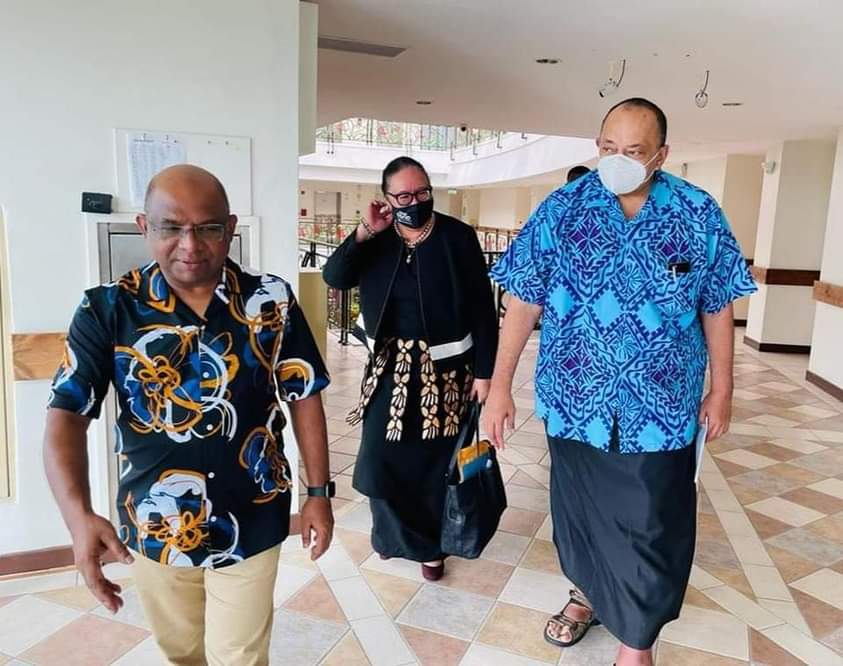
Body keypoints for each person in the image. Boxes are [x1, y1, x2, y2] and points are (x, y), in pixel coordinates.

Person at [484, 98, 756, 666]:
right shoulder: (562, 210)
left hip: (660, 408)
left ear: (661, 154)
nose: (618, 160)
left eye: (633, 151)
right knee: (580, 515)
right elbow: (522, 299)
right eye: (608, 148)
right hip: (575, 401)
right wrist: (502, 384)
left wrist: (723, 388)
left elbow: (717, 306)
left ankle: (638, 641)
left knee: (655, 525)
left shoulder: (697, 213)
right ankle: (586, 596)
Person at [44, 164, 334, 666]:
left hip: (254, 513)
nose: (190, 245)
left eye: (207, 227)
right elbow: (66, 413)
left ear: (231, 227)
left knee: (237, 656)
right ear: (144, 227)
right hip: (156, 524)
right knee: (181, 654)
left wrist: (318, 494)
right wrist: (78, 518)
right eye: (171, 227)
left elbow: (304, 394)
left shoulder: (273, 302)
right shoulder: (107, 309)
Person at [323, 156, 498, 581]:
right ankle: (392, 537)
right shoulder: (378, 238)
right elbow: (335, 276)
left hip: (447, 372)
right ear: (386, 199)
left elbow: (481, 307)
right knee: (380, 459)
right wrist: (364, 233)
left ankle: (431, 547)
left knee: (434, 462)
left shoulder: (456, 237)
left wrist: (485, 372)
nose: (415, 201)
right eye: (404, 195)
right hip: (389, 370)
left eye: (422, 193)